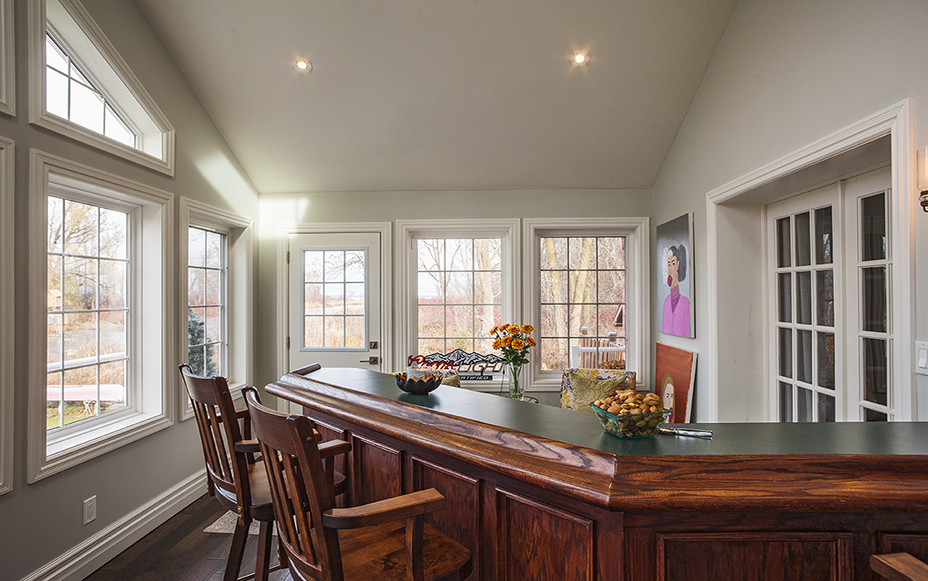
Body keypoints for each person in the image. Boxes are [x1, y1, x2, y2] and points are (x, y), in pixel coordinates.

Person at [662, 245, 690, 336]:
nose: (670, 269)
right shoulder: (666, 302)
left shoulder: (685, 303)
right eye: (668, 264)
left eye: (673, 263)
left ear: (678, 265)